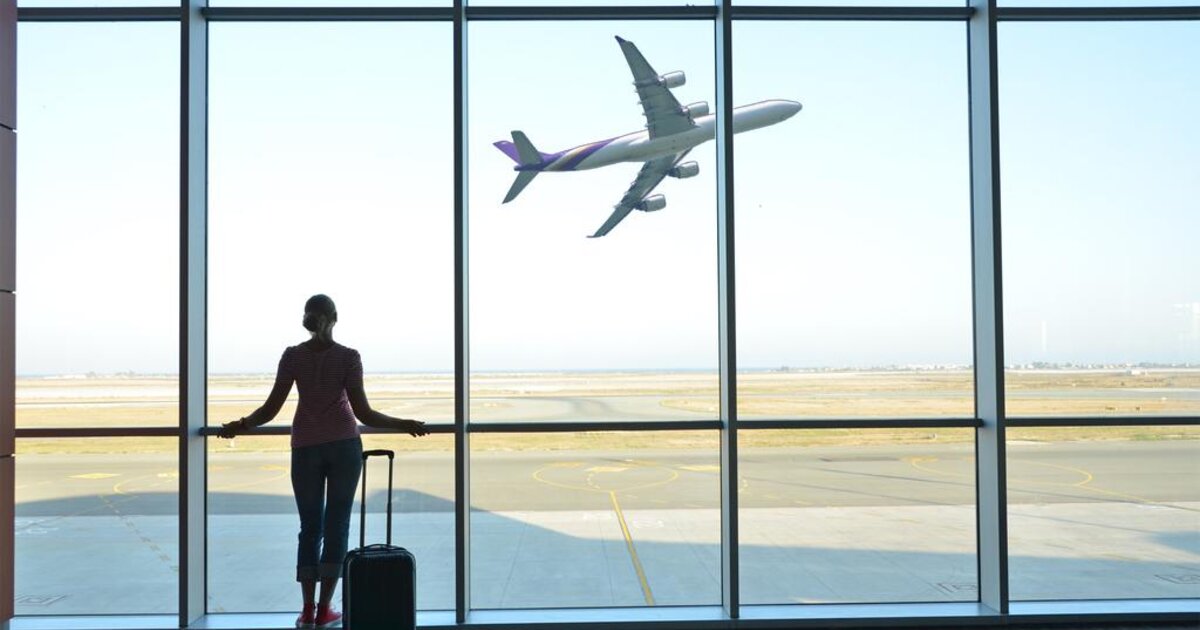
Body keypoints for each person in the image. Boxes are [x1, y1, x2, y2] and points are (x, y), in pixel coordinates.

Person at [218, 294, 428, 629]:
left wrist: (239, 425)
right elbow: (364, 413)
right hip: (344, 446)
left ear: (307, 319)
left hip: (305, 447)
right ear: (335, 317)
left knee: (309, 528)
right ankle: (325, 609)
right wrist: (404, 423)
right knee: (337, 526)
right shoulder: (348, 357)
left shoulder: (293, 356)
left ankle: (306, 609)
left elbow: (270, 409)